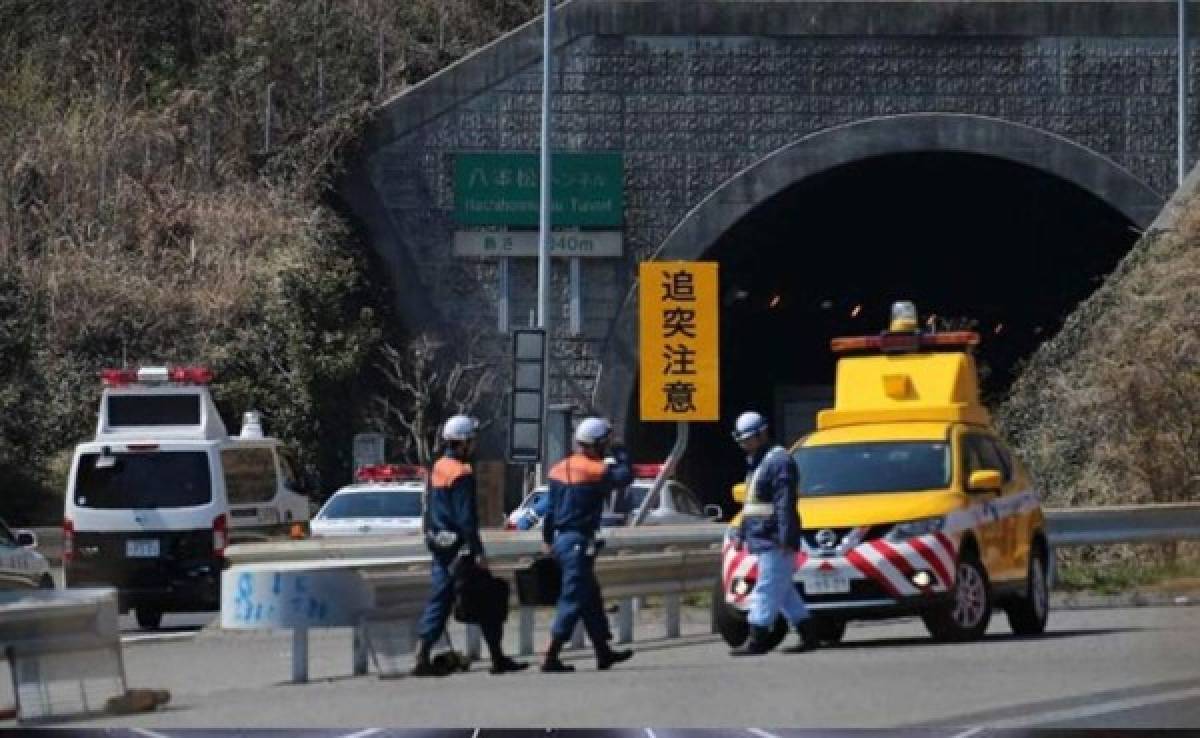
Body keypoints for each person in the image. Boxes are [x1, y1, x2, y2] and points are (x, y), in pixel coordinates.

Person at [413, 414, 528, 676]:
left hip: (439, 544)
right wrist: (477, 551)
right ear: (463, 443)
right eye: (472, 440)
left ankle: (423, 654)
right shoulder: (461, 473)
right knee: (488, 598)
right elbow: (466, 518)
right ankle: (498, 658)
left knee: (440, 599)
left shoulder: (438, 467)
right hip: (460, 548)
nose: (474, 445)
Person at [540, 416, 634, 672]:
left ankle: (603, 651)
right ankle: (551, 655)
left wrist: (548, 540)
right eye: (604, 444)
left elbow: (550, 510)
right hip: (578, 542)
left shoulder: (558, 469)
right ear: (596, 445)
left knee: (590, 597)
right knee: (572, 597)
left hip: (561, 541)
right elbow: (625, 476)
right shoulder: (596, 471)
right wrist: (620, 450)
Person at [729, 410, 818, 656]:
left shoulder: (778, 461)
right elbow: (752, 505)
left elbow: (784, 503)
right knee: (783, 591)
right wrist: (741, 533)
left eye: (748, 439)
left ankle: (757, 637)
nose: (745, 444)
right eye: (741, 440)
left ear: (762, 433)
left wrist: (785, 537)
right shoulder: (759, 462)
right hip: (763, 535)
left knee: (767, 588)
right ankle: (809, 633)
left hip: (773, 538)